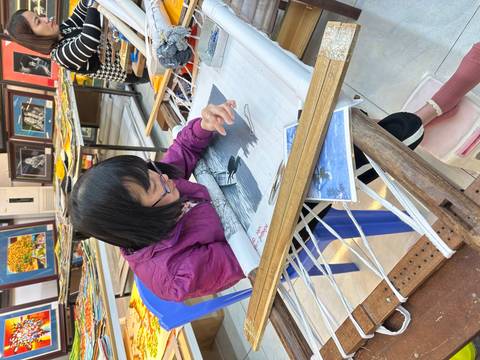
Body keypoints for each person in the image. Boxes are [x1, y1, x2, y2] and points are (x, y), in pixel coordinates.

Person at [69, 100, 423, 302]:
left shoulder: (159, 184)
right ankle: (383, 148)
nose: (162, 178)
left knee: (302, 136)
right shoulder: (175, 273)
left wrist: (204, 125)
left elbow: (181, 153)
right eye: (154, 187)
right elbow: (253, 252)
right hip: (271, 243)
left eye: (150, 170)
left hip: (245, 211)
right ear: (137, 221)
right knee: (320, 178)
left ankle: (373, 142)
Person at [6, 0, 148, 84]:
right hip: (137, 68)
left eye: (39, 15)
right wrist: (93, 4)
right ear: (34, 38)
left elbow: (80, 11)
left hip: (134, 47)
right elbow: (89, 40)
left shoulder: (63, 30)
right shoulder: (61, 56)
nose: (46, 18)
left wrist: (89, 2)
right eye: (38, 21)